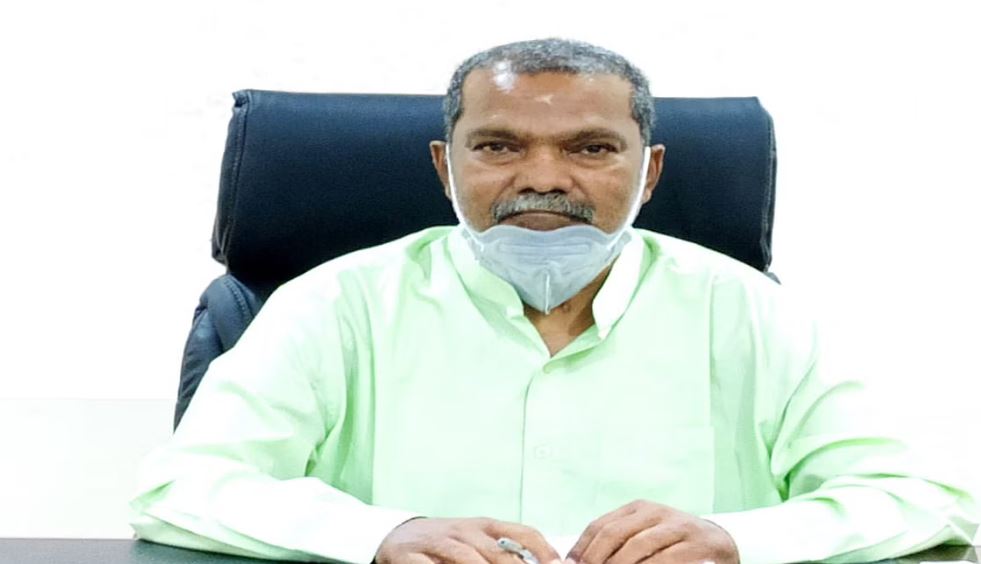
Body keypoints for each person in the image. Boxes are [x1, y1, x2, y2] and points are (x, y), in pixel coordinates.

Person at [129, 38, 977, 564]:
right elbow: (182, 485)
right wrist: (381, 535)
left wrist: (737, 540)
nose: (543, 177)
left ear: (648, 172)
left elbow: (922, 500)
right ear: (444, 166)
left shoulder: (745, 309)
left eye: (591, 148)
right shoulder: (337, 303)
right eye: (498, 146)